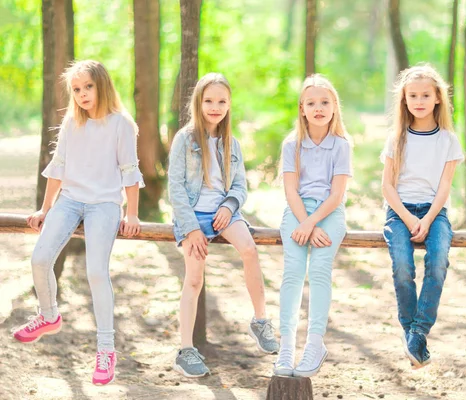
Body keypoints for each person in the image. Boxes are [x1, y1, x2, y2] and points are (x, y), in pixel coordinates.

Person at [12, 60, 144, 386]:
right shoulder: (72, 122)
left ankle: (106, 350)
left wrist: (132, 213)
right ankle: (48, 315)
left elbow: (129, 171)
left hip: (105, 205)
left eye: (88, 87)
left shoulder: (121, 125)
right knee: (40, 258)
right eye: (76, 89)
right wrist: (44, 208)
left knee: (96, 271)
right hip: (69, 201)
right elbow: (58, 167)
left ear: (102, 85)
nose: (82, 94)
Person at [168, 72, 278, 378]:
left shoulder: (232, 143)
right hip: (192, 215)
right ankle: (186, 350)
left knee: (249, 250)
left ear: (229, 104)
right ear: (198, 102)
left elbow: (240, 186)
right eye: (209, 101)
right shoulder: (185, 139)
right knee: (193, 280)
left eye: (221, 101)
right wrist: (190, 229)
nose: (215, 107)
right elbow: (175, 188)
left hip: (223, 212)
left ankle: (260, 321)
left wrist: (229, 206)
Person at [381, 64, 464, 369]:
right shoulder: (396, 139)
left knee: (438, 260)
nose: (419, 100)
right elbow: (387, 186)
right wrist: (406, 217)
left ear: (437, 98)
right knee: (403, 265)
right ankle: (409, 329)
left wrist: (427, 220)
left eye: (425, 95)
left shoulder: (448, 140)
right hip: (399, 211)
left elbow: (444, 186)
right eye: (412, 95)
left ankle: (419, 331)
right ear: (404, 99)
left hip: (434, 212)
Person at [274, 74, 352, 378]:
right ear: (302, 109)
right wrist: (304, 222)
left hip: (328, 213)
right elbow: (291, 190)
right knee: (293, 272)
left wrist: (313, 223)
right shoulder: (292, 144)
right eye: (311, 103)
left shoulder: (341, 145)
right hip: (297, 211)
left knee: (319, 270)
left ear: (334, 107)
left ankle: (315, 344)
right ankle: (286, 347)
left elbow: (337, 194)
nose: (318, 108)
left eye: (324, 102)